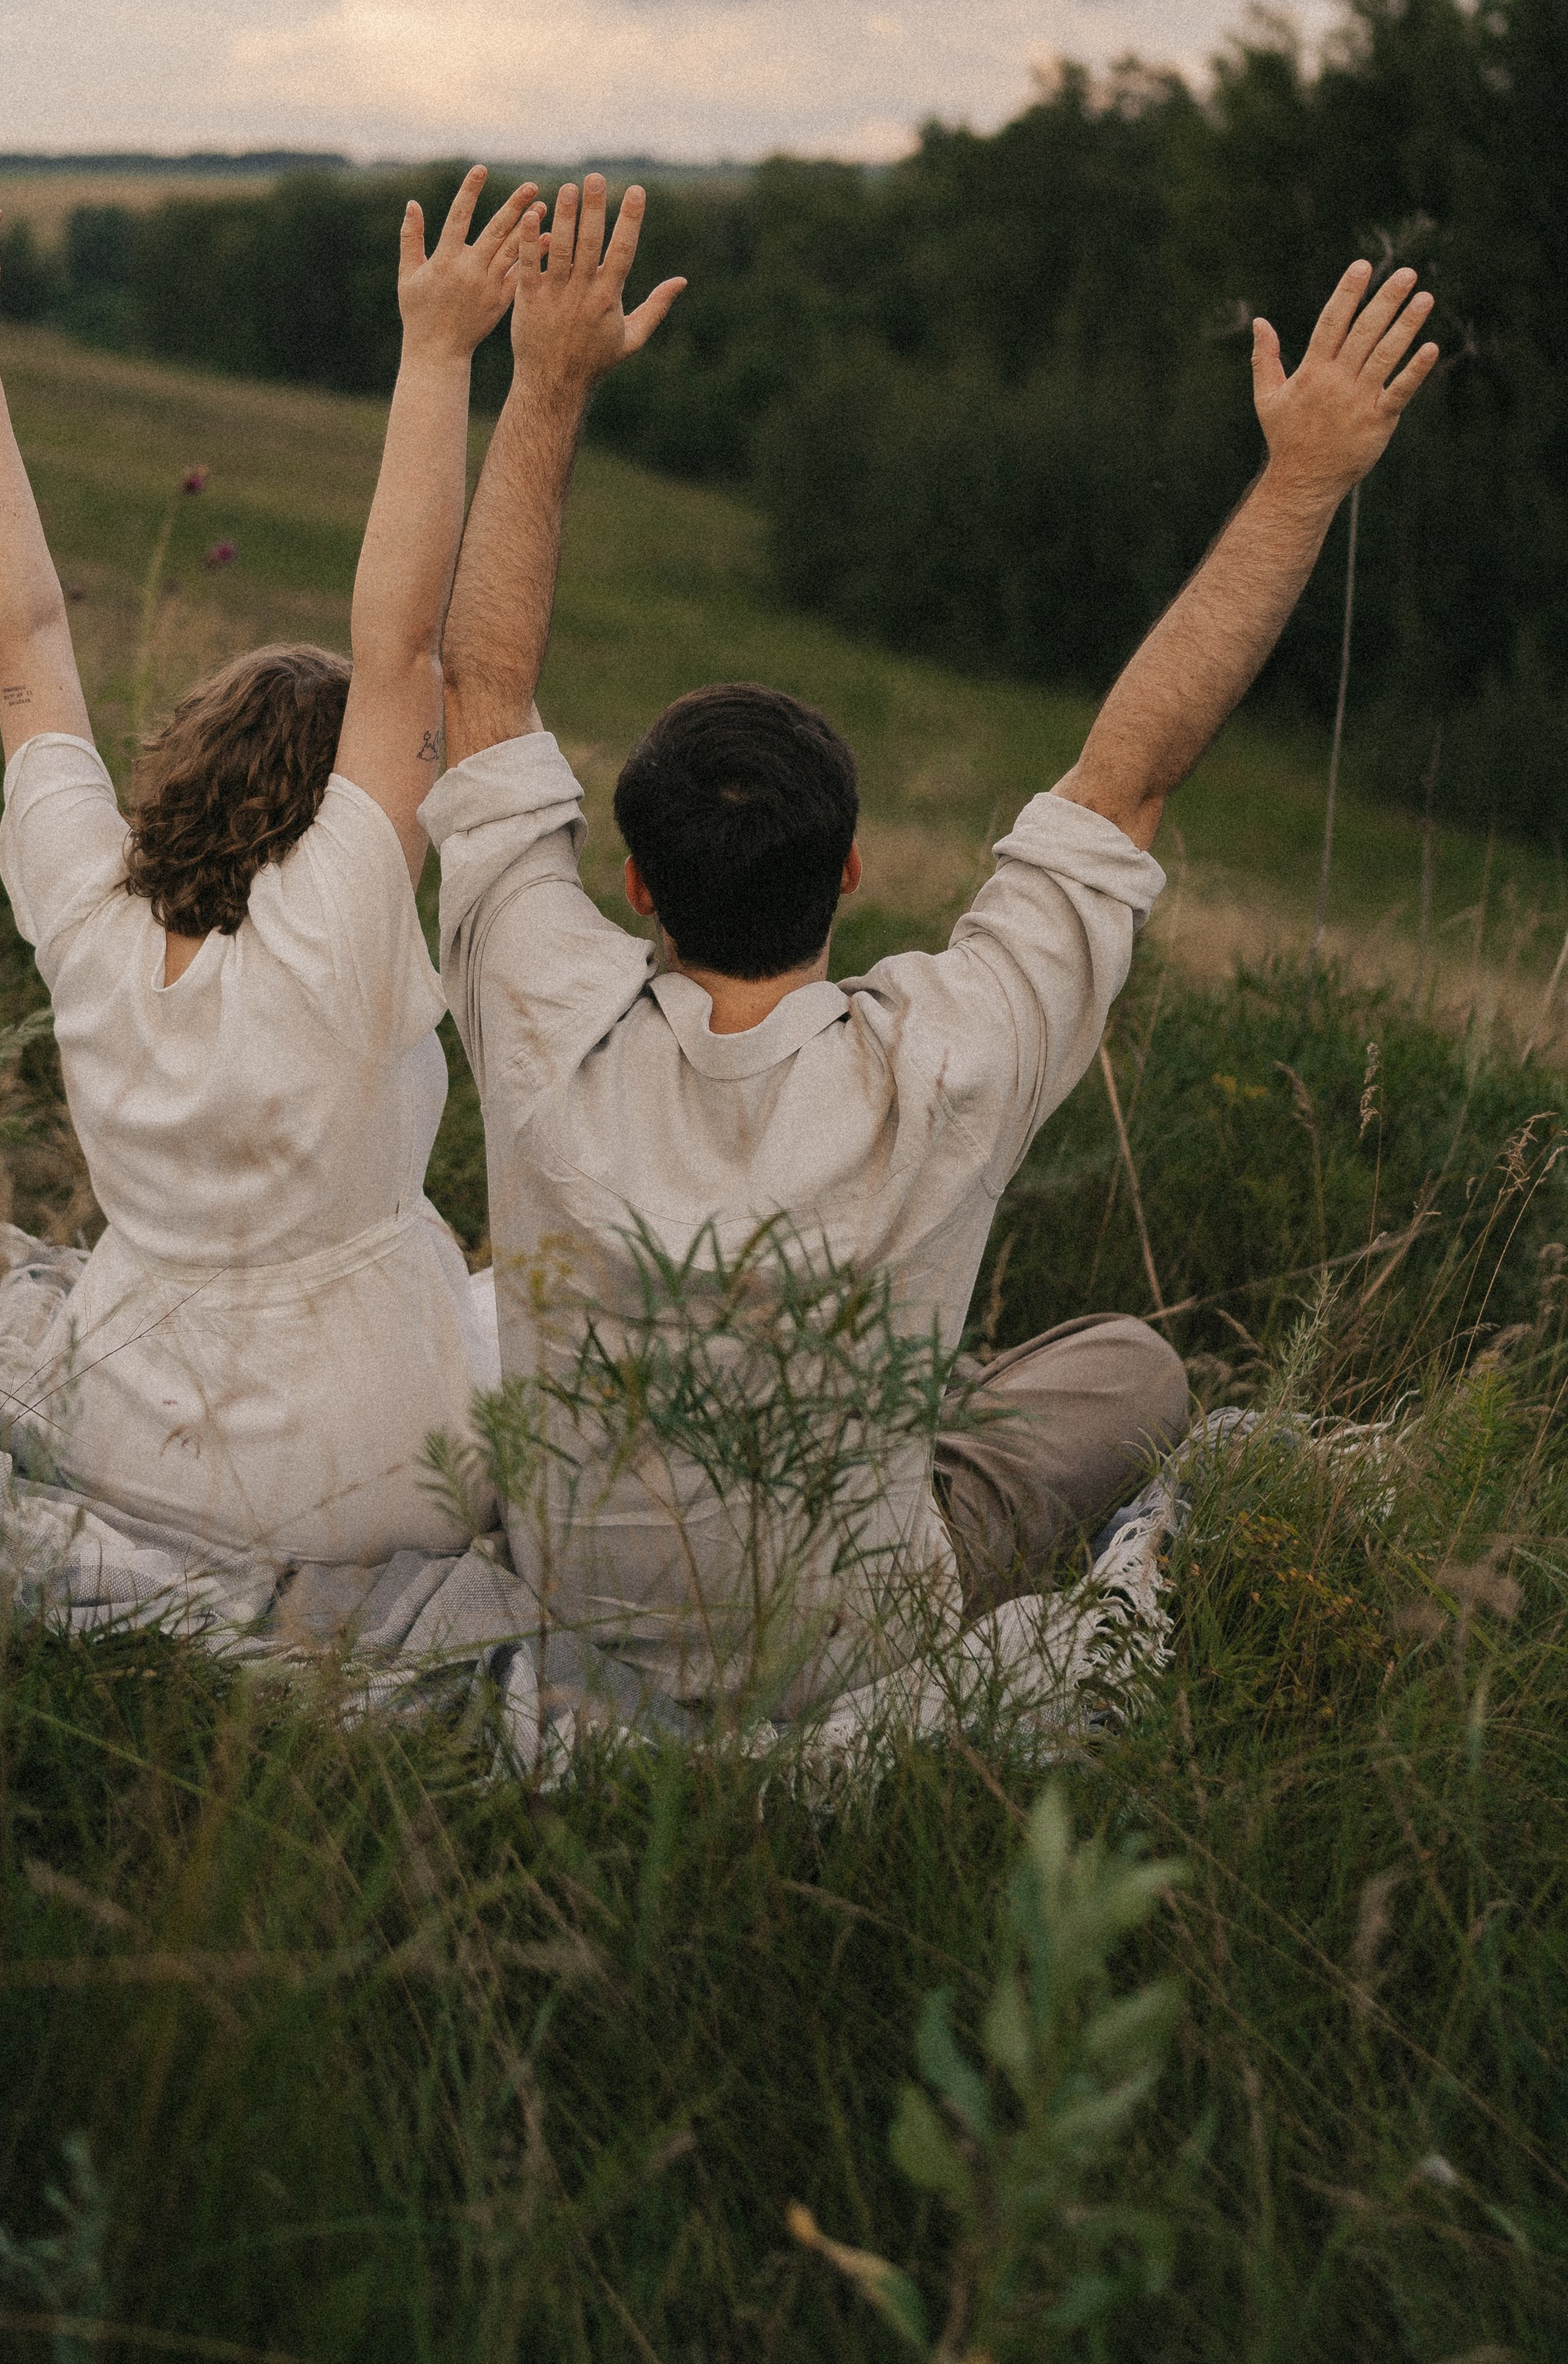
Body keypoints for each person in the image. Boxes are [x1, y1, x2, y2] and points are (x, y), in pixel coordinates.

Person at [424, 175, 1439, 1710]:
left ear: (635, 884)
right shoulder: (947, 1060)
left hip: (583, 1602)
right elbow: (1130, 773)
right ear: (847, 873)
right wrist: (1301, 479)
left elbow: (483, 688)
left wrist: (546, 380)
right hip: (843, 1636)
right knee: (1135, 1370)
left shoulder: (534, 1002)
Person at [0, 165, 538, 1567]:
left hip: (130, 1446)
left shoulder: (87, 907)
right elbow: (403, 654)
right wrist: (440, 351)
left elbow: (23, 642)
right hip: (378, 1472)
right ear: (340, 802)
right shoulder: (338, 922)